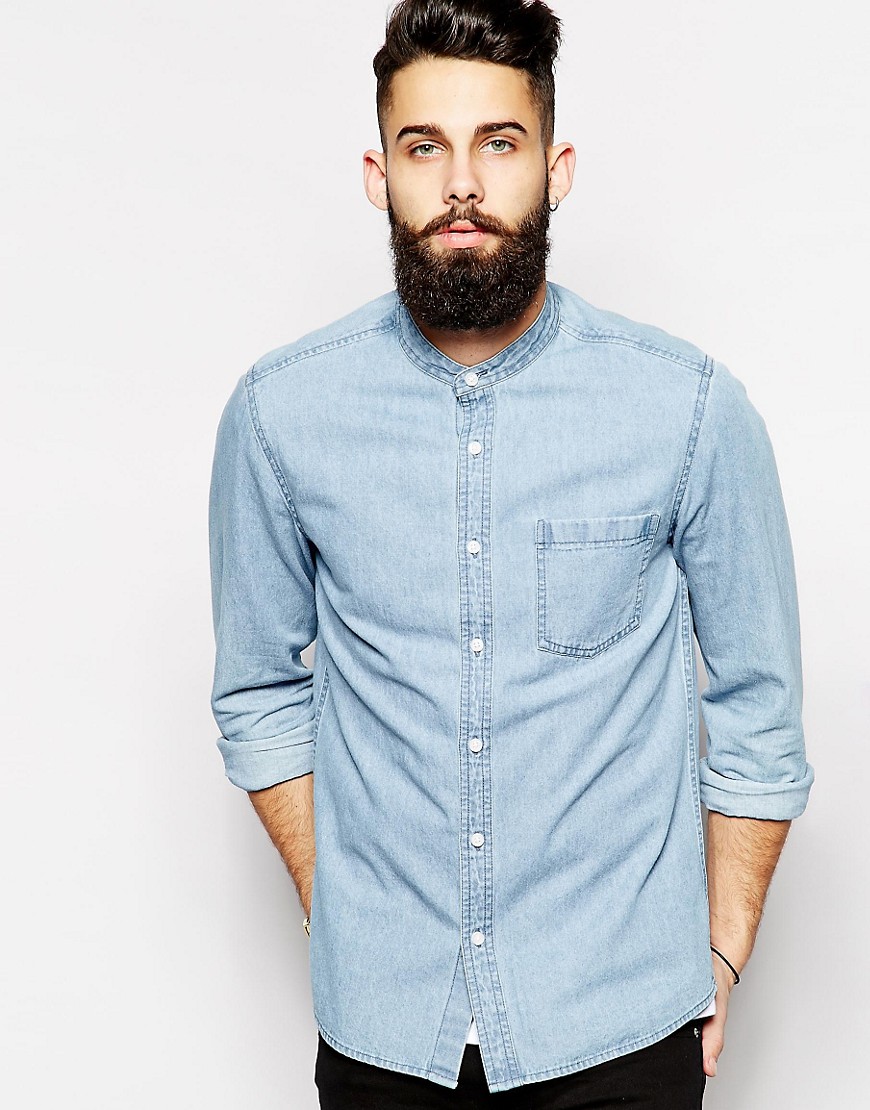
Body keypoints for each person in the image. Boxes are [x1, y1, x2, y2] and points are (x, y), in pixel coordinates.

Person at [207, 1, 815, 1106]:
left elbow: (760, 708)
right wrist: (340, 906)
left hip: (622, 1028)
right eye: (422, 147)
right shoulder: (279, 414)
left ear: (556, 167)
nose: (461, 185)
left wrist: (720, 954)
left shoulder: (686, 408)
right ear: (377, 174)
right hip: (385, 1033)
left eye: (498, 142)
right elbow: (257, 692)